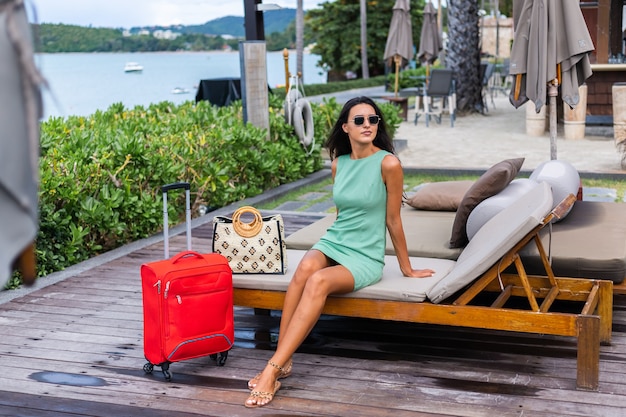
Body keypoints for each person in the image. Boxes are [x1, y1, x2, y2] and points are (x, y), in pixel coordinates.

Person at [244, 96, 435, 408]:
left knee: (318, 281)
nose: (367, 125)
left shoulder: (388, 163)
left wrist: (407, 268)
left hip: (364, 256)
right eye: (359, 120)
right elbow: (343, 213)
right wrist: (328, 246)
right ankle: (284, 356)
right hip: (336, 240)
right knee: (305, 267)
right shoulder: (339, 164)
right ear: (346, 127)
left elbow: (393, 220)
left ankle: (272, 370)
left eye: (373, 120)